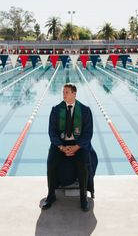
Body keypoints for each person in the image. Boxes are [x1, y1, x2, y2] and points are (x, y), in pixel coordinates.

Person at [42, 83, 96, 212]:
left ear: (74, 93)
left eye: (67, 92)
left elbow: (88, 133)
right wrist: (61, 147)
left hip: (79, 145)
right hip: (61, 144)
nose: (64, 95)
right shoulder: (56, 109)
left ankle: (83, 198)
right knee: (51, 163)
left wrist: (76, 147)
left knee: (83, 164)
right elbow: (52, 132)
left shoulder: (84, 110)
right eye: (63, 92)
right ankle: (51, 195)